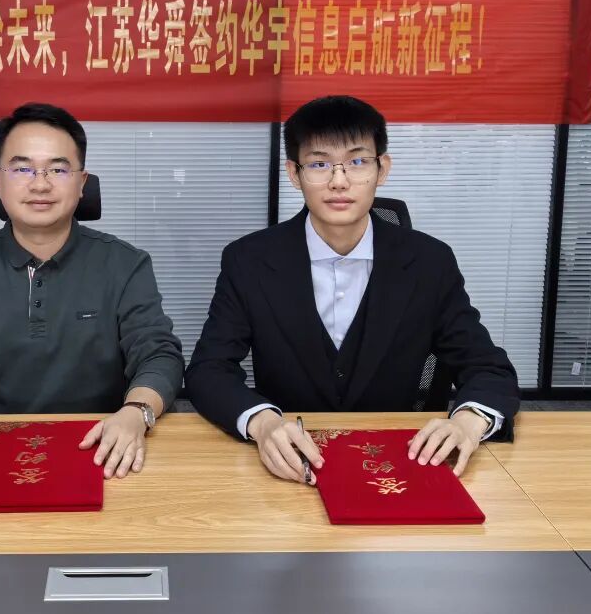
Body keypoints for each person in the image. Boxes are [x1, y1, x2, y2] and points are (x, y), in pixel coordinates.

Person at [185, 95, 519, 484]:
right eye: (319, 164)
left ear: (382, 169)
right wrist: (262, 423)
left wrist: (469, 421)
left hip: (403, 463)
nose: (339, 181)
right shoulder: (249, 260)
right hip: (289, 462)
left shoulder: (430, 262)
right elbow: (209, 370)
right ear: (294, 174)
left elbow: (488, 367)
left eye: (358, 162)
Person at [0, 103, 183, 479]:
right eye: (22, 168)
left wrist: (136, 413)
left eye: (58, 169)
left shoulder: (125, 265)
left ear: (82, 182)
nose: (40, 184)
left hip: (102, 451)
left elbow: (159, 355)